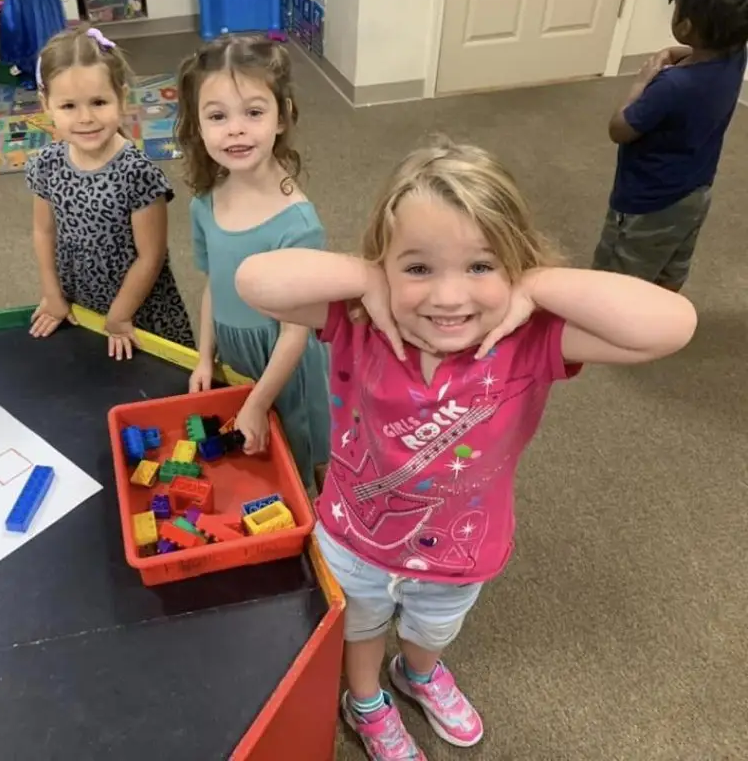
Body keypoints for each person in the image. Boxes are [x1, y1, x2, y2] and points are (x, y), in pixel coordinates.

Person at [235, 139, 698, 761]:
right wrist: (367, 275)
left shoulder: (531, 340)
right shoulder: (358, 318)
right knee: (361, 628)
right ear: (385, 268)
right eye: (418, 268)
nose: (449, 298)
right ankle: (366, 700)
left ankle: (418, 675)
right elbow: (254, 282)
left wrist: (537, 282)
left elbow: (670, 326)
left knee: (433, 632)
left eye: (481, 266)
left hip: (462, 547)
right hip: (355, 533)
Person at [175, 35, 331, 492]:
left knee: (299, 456)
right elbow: (213, 287)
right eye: (218, 116)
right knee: (252, 458)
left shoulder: (298, 222)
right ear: (197, 125)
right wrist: (205, 357)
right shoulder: (204, 204)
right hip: (233, 352)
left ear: (282, 117)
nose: (236, 130)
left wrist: (260, 401)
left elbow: (296, 333)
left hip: (283, 362)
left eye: (254, 113)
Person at [25, 25, 195, 358]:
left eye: (99, 102)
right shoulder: (45, 163)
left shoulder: (137, 172)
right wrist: (52, 292)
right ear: (46, 104)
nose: (85, 118)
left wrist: (119, 315)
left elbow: (151, 256)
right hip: (79, 298)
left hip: (137, 309)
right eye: (69, 106)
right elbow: (43, 231)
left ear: (122, 97)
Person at [592, 0, 748, 291]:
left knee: (615, 279)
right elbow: (699, 54)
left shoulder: (671, 86)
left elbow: (620, 129)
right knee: (672, 265)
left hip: (648, 200)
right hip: (694, 193)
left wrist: (642, 81)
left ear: (686, 26)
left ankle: (615, 333)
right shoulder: (736, 55)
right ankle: (661, 323)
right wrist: (678, 54)